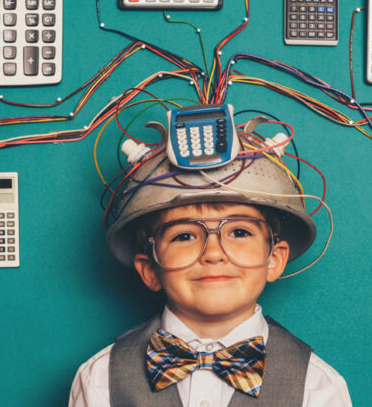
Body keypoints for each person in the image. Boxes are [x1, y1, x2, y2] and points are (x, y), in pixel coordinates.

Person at [69, 120, 352, 406]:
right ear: (150, 269)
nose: (213, 253)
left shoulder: (317, 387)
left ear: (274, 260)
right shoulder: (100, 378)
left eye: (239, 232)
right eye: (184, 236)